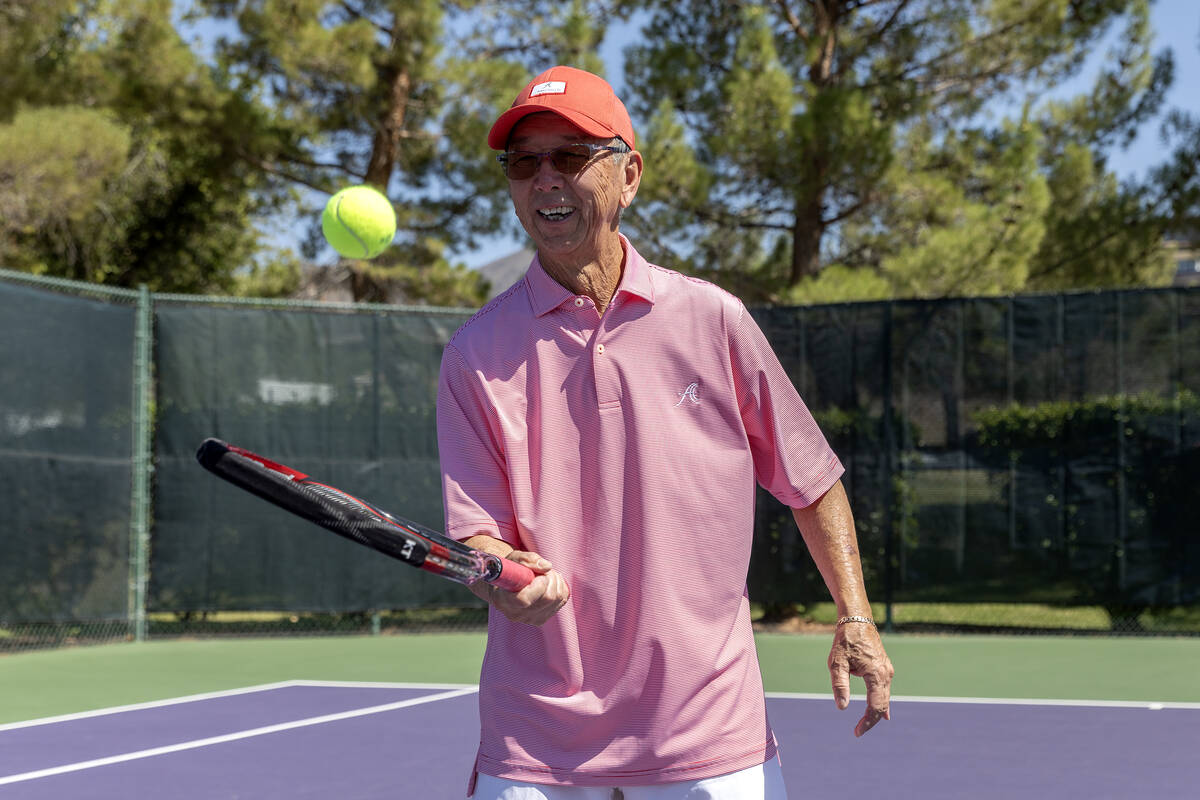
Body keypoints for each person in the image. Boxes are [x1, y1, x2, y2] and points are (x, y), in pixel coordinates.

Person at [436, 65, 894, 800]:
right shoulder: (473, 355)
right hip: (539, 739)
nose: (544, 178)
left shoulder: (713, 320)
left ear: (629, 176)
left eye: (570, 156)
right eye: (524, 162)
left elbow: (813, 481)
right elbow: (480, 533)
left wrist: (856, 616)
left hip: (707, 728)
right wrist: (505, 579)